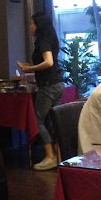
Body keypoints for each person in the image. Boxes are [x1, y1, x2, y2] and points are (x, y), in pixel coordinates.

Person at [17, 12, 65, 171]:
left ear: (39, 25)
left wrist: (30, 68)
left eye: (32, 23)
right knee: (52, 120)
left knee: (37, 119)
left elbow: (48, 62)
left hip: (49, 85)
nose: (30, 26)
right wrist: (31, 68)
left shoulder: (43, 41)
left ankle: (50, 156)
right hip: (58, 83)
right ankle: (58, 156)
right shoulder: (51, 38)